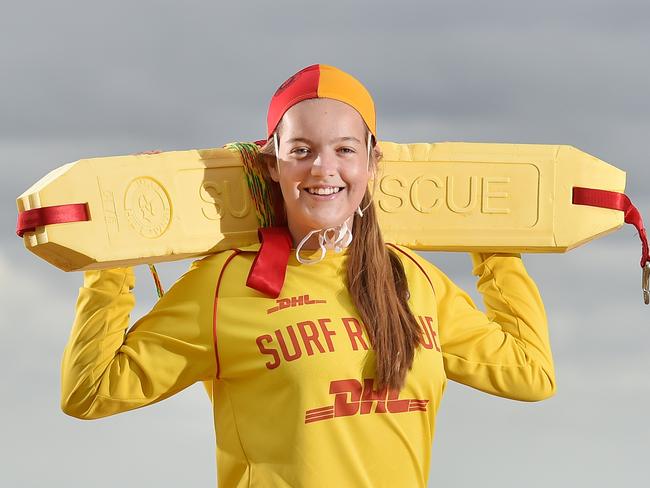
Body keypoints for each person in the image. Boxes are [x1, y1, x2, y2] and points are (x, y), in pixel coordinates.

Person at [60, 63, 556, 487]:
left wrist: (497, 244)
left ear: (371, 163)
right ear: (273, 164)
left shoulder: (413, 278)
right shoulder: (224, 284)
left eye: (344, 149)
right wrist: (112, 258)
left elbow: (531, 375)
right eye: (301, 150)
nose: (324, 169)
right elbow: (90, 392)